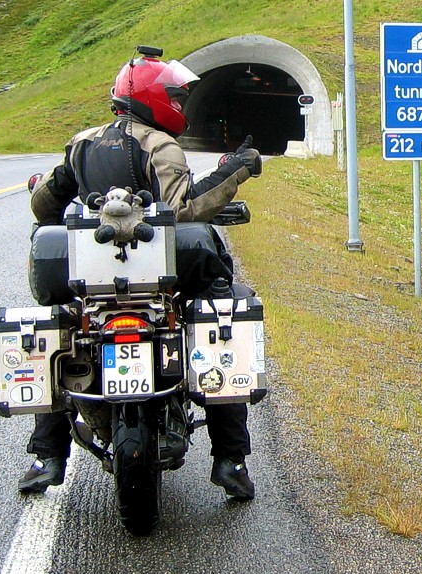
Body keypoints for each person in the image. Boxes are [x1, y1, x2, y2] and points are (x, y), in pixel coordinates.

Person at [19, 47, 262, 500]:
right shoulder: (160, 145)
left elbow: (44, 206)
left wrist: (43, 188)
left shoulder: (83, 143)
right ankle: (231, 460)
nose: (180, 103)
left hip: (95, 283)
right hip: (157, 276)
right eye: (174, 95)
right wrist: (235, 171)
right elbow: (183, 206)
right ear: (154, 97)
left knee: (59, 334)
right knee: (221, 317)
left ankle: (47, 456)